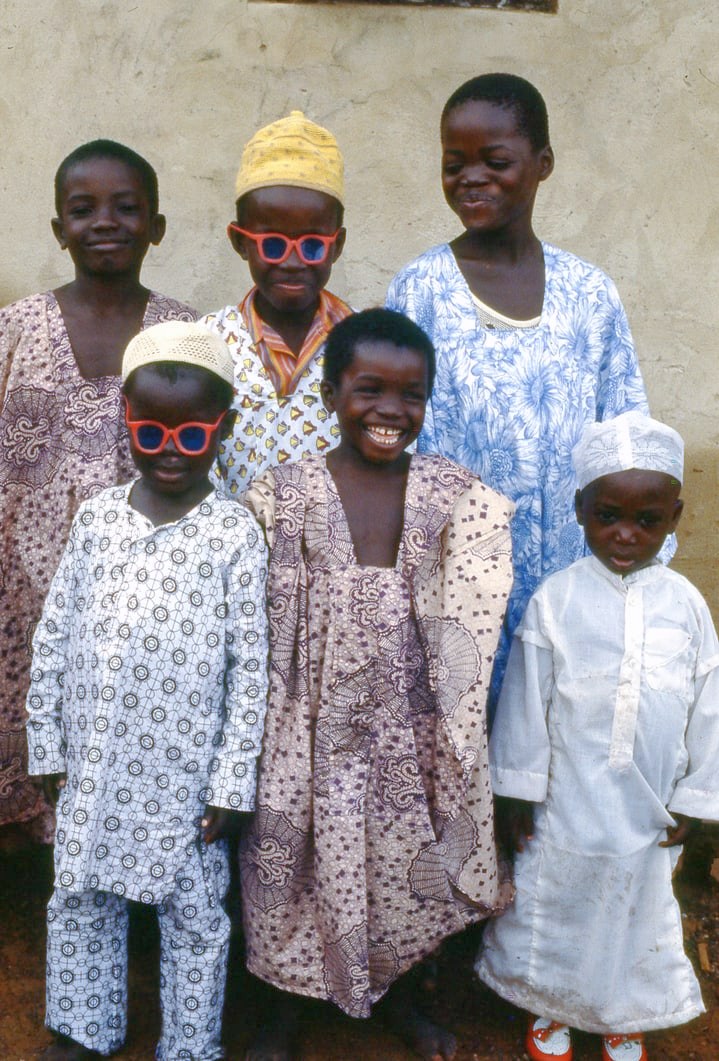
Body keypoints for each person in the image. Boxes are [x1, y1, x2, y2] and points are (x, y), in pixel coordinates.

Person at [239, 308, 514, 1061]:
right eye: (369, 389)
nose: (390, 410)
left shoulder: (453, 497)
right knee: (286, 858)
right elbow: (250, 612)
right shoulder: (283, 495)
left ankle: (401, 1000)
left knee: (405, 862)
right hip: (304, 721)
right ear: (329, 394)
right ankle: (281, 1006)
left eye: (411, 394)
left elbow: (476, 605)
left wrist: (453, 723)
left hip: (409, 724)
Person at [25, 322, 269, 1061]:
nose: (169, 449)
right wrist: (45, 740)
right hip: (94, 764)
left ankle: (190, 1045)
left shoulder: (233, 534)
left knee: (195, 917)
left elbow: (250, 668)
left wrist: (230, 782)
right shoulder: (98, 517)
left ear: (223, 429)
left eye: (193, 435)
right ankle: (81, 1029)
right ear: (124, 420)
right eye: (151, 430)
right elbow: (55, 630)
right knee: (79, 897)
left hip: (185, 778)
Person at [385, 73, 656, 708]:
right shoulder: (419, 288)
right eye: (455, 164)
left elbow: (625, 434)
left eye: (496, 161)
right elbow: (397, 442)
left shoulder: (590, 293)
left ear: (543, 164)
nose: (472, 177)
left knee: (564, 753)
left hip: (574, 582)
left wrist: (642, 567)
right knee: (466, 765)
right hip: (455, 587)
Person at [476, 412, 719, 1061]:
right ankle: (548, 1005)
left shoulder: (686, 605)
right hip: (566, 798)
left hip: (647, 805)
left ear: (674, 516)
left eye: (646, 520)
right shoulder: (554, 601)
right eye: (607, 514)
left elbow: (708, 708)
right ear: (579, 508)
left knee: (633, 909)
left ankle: (622, 1010)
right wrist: (517, 791)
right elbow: (525, 704)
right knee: (555, 899)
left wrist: (697, 798)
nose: (624, 534)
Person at [0, 139, 196, 849]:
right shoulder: (18, 327)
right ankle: (37, 861)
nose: (105, 221)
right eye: (83, 209)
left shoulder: (184, 332)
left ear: (157, 225)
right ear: (58, 229)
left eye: (126, 208)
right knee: (29, 711)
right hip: (24, 583)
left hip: (141, 589)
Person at [200, 109, 352, 496]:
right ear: (239, 242)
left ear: (338, 246)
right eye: (272, 244)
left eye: (313, 245)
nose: (292, 262)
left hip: (334, 553)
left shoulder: (363, 344)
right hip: (232, 551)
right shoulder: (207, 344)